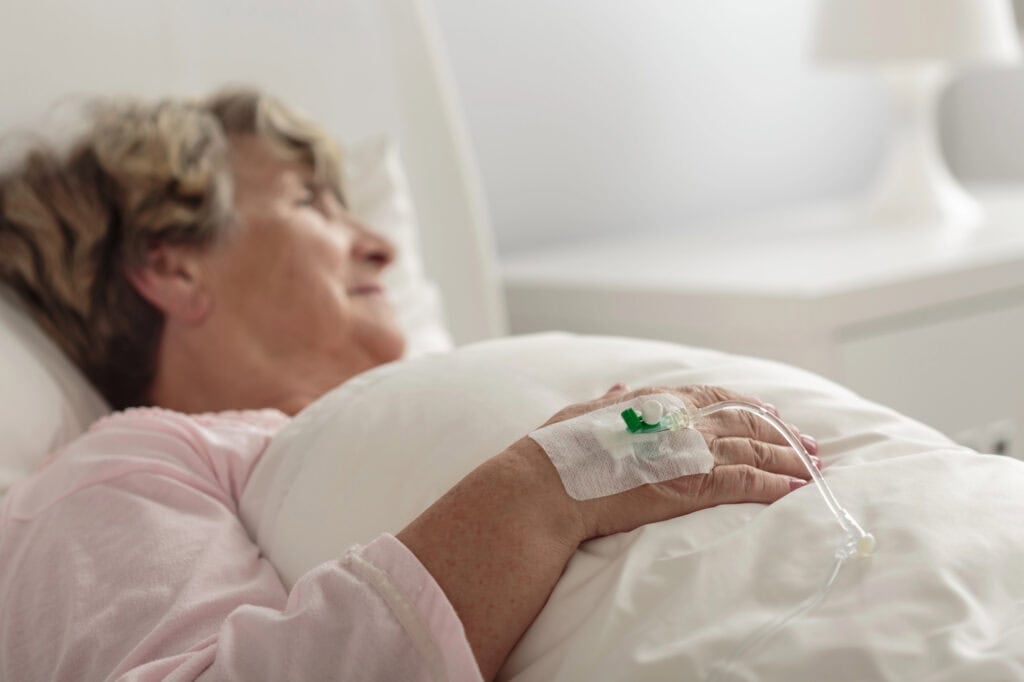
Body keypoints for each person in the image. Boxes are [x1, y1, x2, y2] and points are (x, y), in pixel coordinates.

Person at [0, 88, 820, 681]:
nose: (380, 247)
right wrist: (546, 486)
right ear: (172, 265)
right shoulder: (119, 468)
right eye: (312, 202)